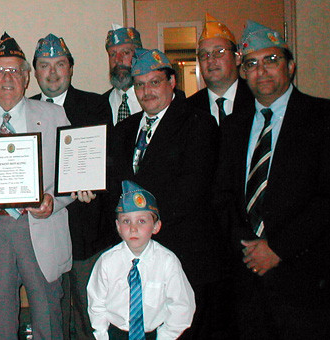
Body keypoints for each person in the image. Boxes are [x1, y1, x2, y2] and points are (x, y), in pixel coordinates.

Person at [0, 32, 78, 339]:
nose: (8, 78)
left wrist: (52, 200)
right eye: (1, 71)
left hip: (40, 230)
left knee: (49, 319)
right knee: (1, 325)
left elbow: (72, 173)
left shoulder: (54, 115)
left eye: (15, 71)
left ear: (27, 78)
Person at [214, 20, 330, 339]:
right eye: (251, 64)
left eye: (271, 60)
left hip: (305, 281)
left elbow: (325, 198)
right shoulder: (232, 126)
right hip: (246, 282)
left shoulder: (322, 118)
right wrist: (249, 248)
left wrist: (276, 248)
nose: (261, 71)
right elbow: (223, 197)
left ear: (290, 66)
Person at [107, 49, 221, 339]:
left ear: (172, 82)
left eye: (154, 82)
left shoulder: (199, 124)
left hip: (179, 248)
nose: (147, 91)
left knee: (180, 328)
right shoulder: (123, 129)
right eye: (140, 84)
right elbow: (112, 183)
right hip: (133, 252)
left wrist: (145, 226)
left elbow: (192, 189)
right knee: (140, 323)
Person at [30, 33, 114, 340]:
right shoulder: (25, 110)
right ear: (34, 72)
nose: (52, 72)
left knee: (90, 318)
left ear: (71, 68)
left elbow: (106, 159)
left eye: (60, 64)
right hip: (42, 233)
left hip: (86, 230)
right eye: (44, 65)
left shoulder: (96, 105)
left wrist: (94, 181)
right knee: (50, 317)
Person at [88, 180, 195, 340]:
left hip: (153, 334)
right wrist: (102, 335)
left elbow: (182, 305)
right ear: (118, 226)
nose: (133, 228)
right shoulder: (107, 262)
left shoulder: (167, 261)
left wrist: (165, 336)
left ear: (156, 226)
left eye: (141, 221)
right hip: (116, 333)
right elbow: (96, 302)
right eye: (126, 221)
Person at [187, 14, 253, 125]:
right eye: (204, 55)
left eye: (219, 52)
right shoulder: (188, 109)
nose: (211, 60)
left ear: (237, 58)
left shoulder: (257, 99)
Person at [102, 24, 144, 126]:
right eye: (112, 54)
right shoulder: (100, 105)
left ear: (139, 56)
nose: (117, 60)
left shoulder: (154, 100)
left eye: (125, 53)